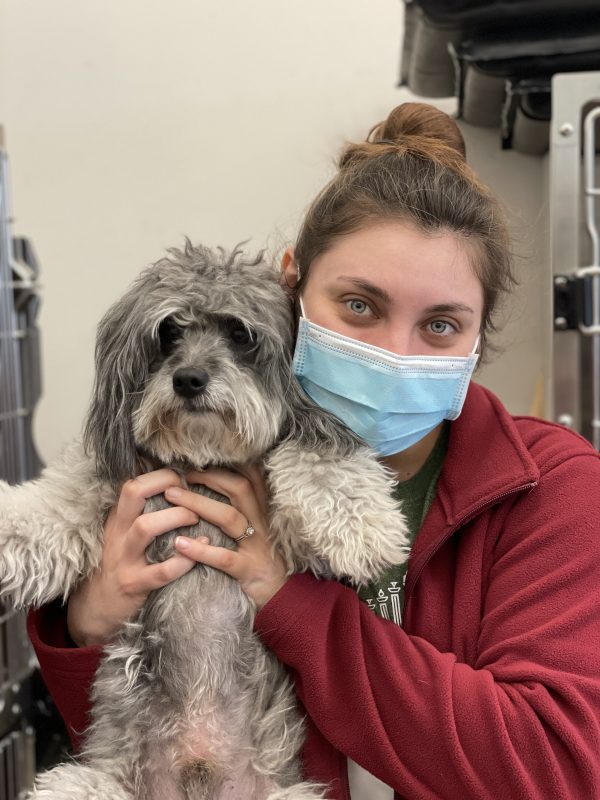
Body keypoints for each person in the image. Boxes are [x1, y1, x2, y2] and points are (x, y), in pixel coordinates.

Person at [28, 103, 600, 800]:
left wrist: (286, 596)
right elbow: (142, 733)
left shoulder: (556, 489)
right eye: (360, 305)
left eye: (442, 324)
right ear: (290, 287)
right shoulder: (209, 452)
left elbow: (552, 768)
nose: (393, 353)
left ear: (479, 337)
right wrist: (88, 619)